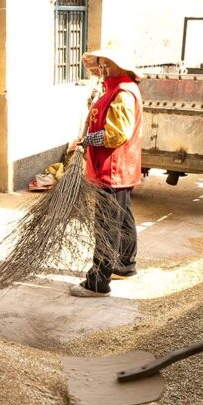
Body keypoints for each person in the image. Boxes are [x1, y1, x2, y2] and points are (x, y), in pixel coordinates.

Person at [67, 47, 143, 297]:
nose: (103, 69)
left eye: (108, 64)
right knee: (122, 218)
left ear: (122, 66)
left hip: (113, 168)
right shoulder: (115, 89)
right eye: (101, 65)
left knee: (106, 224)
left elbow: (116, 134)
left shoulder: (123, 93)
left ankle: (98, 282)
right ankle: (124, 265)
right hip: (118, 168)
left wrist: (87, 140)